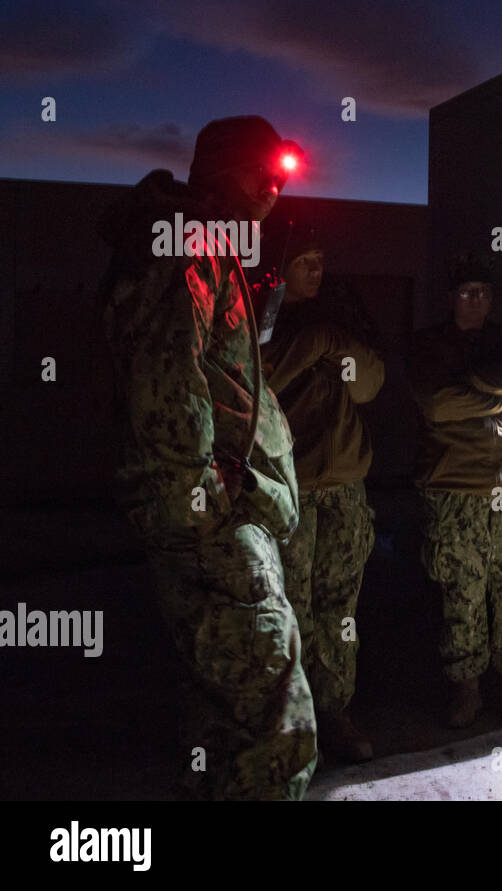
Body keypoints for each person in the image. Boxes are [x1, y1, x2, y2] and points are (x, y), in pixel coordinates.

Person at [99, 115, 316, 799]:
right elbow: (167, 384)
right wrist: (207, 513)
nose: (274, 191)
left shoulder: (209, 246)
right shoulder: (188, 244)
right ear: (235, 172)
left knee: (224, 710)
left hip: (219, 518)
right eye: (268, 173)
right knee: (271, 721)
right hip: (213, 529)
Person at [262, 231, 385, 763]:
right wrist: (311, 343)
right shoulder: (263, 322)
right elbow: (260, 384)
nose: (315, 270)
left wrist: (335, 342)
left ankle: (334, 712)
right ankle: (289, 724)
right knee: (291, 607)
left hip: (344, 490)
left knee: (340, 610)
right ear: (280, 267)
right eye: (304, 261)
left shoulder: (338, 322)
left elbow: (369, 384)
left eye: (320, 260)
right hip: (293, 489)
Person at [410, 255, 502, 729]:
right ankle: (465, 688)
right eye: (468, 292)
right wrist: (498, 398)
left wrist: (473, 382)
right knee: (462, 592)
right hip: (455, 487)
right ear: (451, 297)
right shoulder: (429, 344)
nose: (477, 300)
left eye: (485, 292)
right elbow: (437, 403)